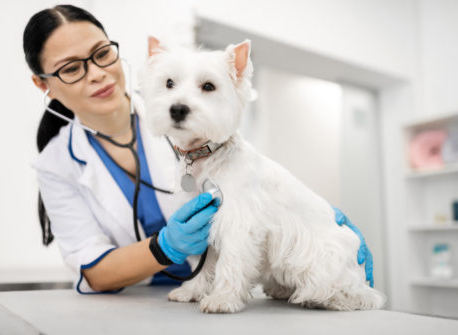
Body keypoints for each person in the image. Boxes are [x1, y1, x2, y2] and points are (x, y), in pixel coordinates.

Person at [24, 4, 374, 294]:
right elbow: (92, 269)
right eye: (71, 68)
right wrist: (166, 246)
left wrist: (319, 222)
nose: (97, 73)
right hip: (137, 303)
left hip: (222, 299)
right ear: (44, 84)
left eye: (102, 54)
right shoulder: (54, 164)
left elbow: (261, 188)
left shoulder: (197, 128)